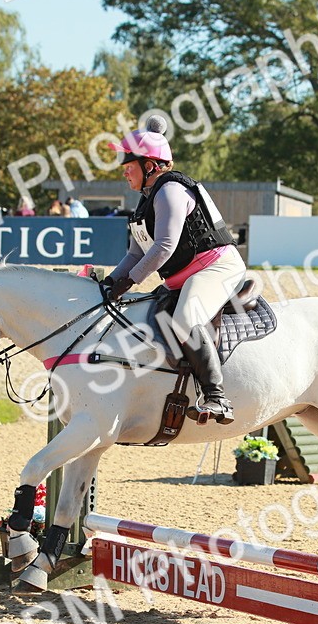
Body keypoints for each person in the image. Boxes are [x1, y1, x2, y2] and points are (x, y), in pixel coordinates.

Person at [104, 114, 246, 425]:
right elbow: (134, 253)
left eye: (129, 164)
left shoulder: (170, 190)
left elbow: (164, 247)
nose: (124, 171)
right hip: (184, 277)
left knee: (184, 319)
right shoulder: (145, 202)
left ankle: (217, 397)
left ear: (151, 165)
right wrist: (109, 283)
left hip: (216, 267)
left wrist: (128, 282)